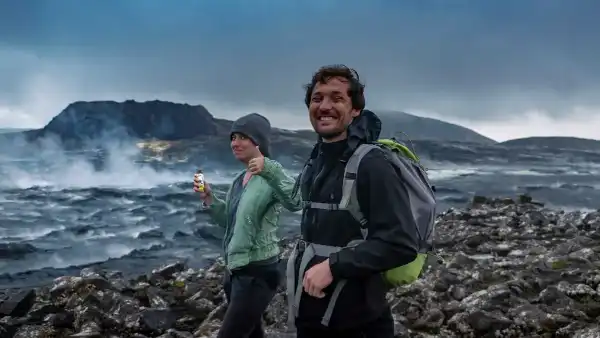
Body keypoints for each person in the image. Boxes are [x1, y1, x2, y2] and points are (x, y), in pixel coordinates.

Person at [286, 65, 425, 338]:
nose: (324, 106)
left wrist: (333, 266)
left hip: (359, 325)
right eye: (317, 98)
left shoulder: (372, 164)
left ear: (355, 110)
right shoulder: (317, 160)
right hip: (313, 319)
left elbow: (400, 242)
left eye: (337, 98)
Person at [194, 113, 301, 338]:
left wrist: (270, 169)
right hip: (234, 273)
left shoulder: (271, 175)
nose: (235, 143)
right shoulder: (239, 180)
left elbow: (297, 200)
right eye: (233, 137)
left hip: (258, 273)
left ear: (258, 141)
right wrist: (209, 198)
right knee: (252, 335)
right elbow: (229, 222)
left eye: (242, 137)